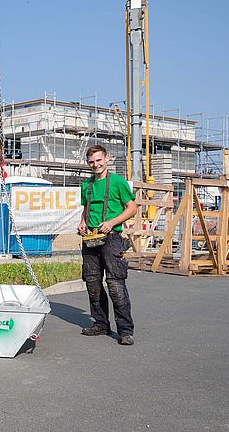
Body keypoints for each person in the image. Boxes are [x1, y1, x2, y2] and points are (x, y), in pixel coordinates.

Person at [77, 145, 138, 345]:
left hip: (111, 238)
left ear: (107, 159)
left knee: (115, 284)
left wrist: (112, 222)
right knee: (93, 283)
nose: (95, 165)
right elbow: (86, 209)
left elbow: (132, 208)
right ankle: (101, 324)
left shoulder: (118, 182)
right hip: (91, 239)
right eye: (91, 162)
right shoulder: (87, 185)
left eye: (98, 160)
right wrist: (83, 222)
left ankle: (125, 330)